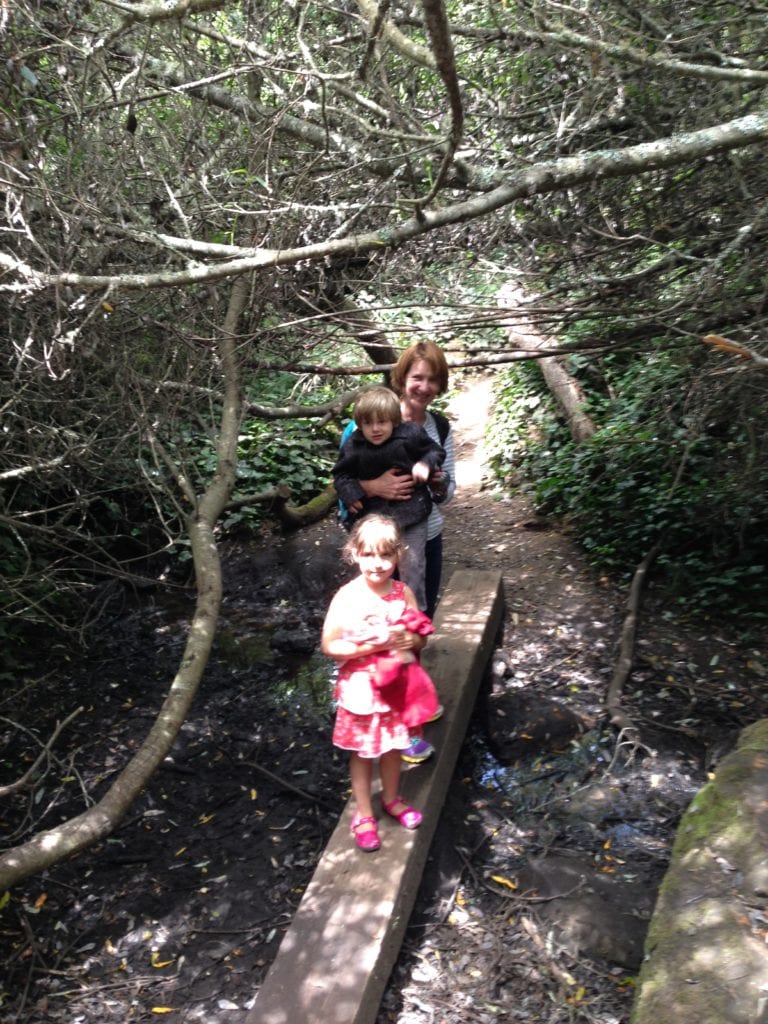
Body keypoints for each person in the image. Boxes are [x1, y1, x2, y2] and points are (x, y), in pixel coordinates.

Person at [344, 341, 457, 764]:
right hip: (378, 550)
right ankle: (390, 717)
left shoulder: (438, 428)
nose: (424, 387)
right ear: (402, 379)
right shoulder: (369, 419)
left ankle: (414, 700)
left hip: (426, 537)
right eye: (417, 378)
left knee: (417, 621)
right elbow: (343, 489)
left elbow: (451, 490)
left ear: (439, 384)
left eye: (432, 379)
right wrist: (374, 488)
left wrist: (437, 481)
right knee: (383, 629)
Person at [321, 515, 438, 852]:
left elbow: (421, 641)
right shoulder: (346, 597)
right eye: (369, 555)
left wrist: (409, 639)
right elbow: (330, 646)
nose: (378, 564)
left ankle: (391, 799)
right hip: (361, 691)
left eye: (386, 555)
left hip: (396, 689)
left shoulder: (403, 592)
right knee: (362, 753)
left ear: (398, 555)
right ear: (354, 554)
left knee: (393, 747)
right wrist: (375, 644)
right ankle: (363, 814)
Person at [333, 386, 447, 613]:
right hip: (373, 520)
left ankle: (414, 616)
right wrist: (352, 492)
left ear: (394, 421)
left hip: (412, 513)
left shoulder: (410, 434)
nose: (375, 429)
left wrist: (425, 464)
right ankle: (375, 614)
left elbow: (434, 451)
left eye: (382, 422)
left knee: (412, 567)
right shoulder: (354, 444)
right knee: (373, 567)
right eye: (368, 423)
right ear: (359, 424)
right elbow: (341, 475)